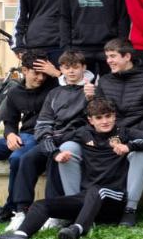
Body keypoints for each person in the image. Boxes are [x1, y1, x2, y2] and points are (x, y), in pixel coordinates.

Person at [0, 97, 143, 239]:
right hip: (87, 199)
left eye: (108, 116)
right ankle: (19, 236)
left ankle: (76, 229)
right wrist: (56, 154)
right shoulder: (83, 133)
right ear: (90, 120)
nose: (105, 121)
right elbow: (47, 141)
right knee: (42, 205)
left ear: (114, 116)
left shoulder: (124, 133)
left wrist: (129, 147)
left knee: (97, 191)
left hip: (114, 199)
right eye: (99, 118)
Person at [6, 50, 90, 229]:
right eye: (67, 67)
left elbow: (91, 124)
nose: (71, 71)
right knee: (27, 159)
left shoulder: (90, 91)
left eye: (75, 67)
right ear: (61, 69)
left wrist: (92, 98)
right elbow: (43, 123)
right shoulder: (54, 93)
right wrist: (48, 141)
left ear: (83, 68)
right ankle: (21, 211)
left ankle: (55, 213)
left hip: (74, 139)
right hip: (53, 138)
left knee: (55, 159)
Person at [0, 51, 52, 225]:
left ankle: (11, 208)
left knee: (17, 158)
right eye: (36, 73)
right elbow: (10, 122)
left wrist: (56, 73)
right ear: (25, 70)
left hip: (41, 137)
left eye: (44, 73)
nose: (41, 78)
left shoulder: (53, 88)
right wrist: (11, 134)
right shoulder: (15, 92)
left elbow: (70, 85)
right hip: (22, 137)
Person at [94, 38, 143, 226]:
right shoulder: (104, 81)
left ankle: (130, 209)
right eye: (107, 57)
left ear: (127, 56)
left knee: (139, 154)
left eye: (113, 56)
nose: (109, 61)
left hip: (139, 135)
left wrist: (128, 134)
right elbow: (99, 113)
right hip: (110, 136)